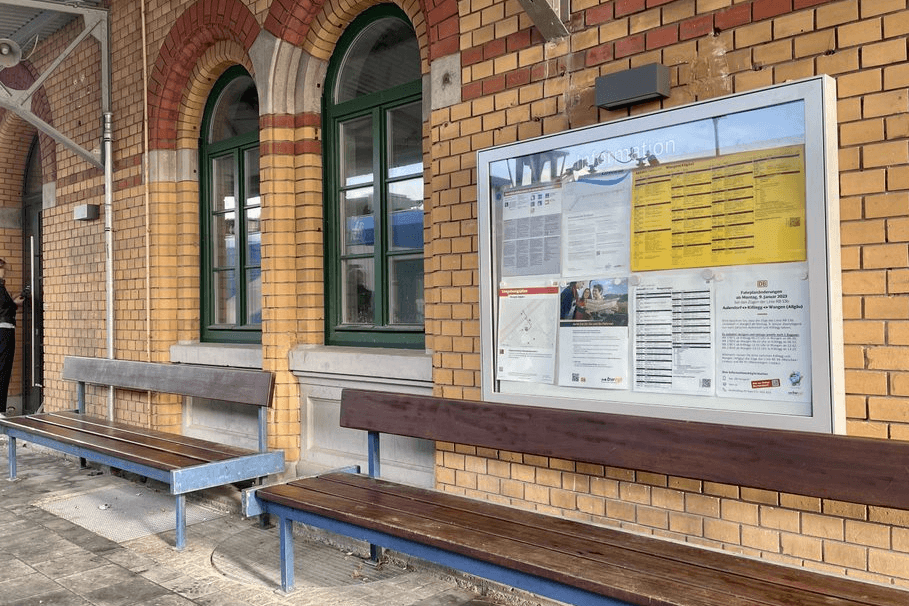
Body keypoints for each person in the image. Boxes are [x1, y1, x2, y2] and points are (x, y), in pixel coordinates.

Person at [0, 258, 26, 417]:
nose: (4, 272)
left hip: (4, 330)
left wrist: (14, 303)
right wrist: (13, 305)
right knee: (3, 368)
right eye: (2, 268)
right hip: (4, 332)